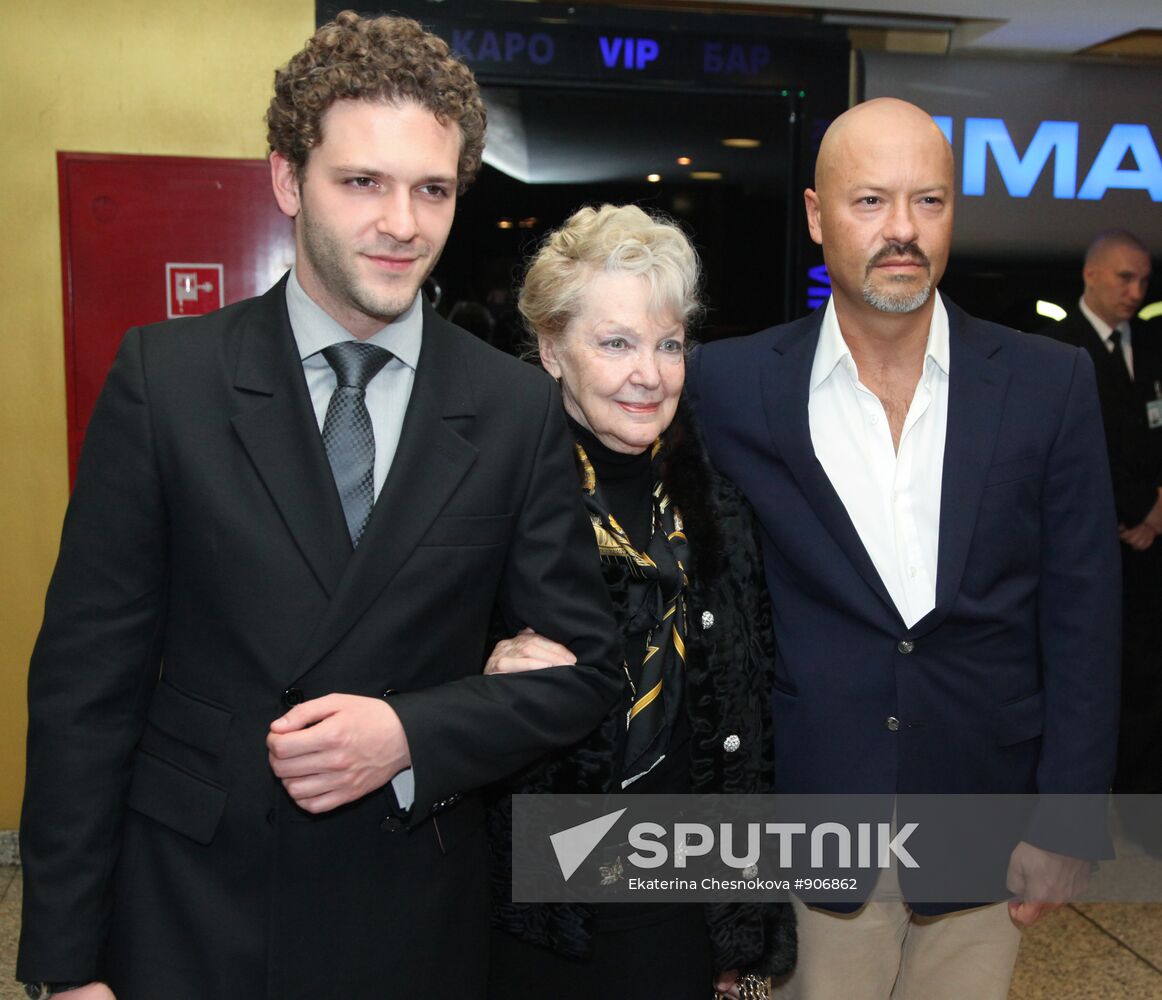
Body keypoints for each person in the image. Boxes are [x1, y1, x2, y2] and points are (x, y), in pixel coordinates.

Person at [17, 12, 622, 999]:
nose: (402, 222)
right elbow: (86, 693)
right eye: (362, 183)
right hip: (190, 913)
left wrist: (411, 733)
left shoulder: (510, 407)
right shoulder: (167, 382)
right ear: (288, 180)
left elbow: (584, 669)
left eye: (432, 189)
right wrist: (64, 963)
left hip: (405, 918)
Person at [686, 98, 1121, 999]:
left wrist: (1070, 819)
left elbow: (1084, 612)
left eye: (929, 202)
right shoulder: (728, 387)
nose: (903, 231)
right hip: (809, 819)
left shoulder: (1049, 384)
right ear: (815, 216)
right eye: (871, 202)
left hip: (983, 817)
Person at [483, 204, 796, 1000]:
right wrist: (476, 669)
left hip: (678, 897)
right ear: (551, 349)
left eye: (668, 345)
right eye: (616, 343)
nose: (648, 374)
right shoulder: (493, 491)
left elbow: (745, 718)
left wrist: (747, 920)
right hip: (537, 905)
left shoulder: (716, 500)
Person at [1045, 231, 1162, 811]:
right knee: (1091, 673)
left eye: (1143, 280)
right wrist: (1134, 511)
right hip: (1092, 543)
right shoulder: (1056, 349)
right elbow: (1072, 453)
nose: (1136, 292)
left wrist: (1158, 506)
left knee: (1147, 671)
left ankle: (1139, 802)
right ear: (1092, 275)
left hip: (1152, 547)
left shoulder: (1151, 347)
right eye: (1125, 278)